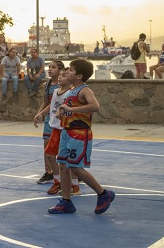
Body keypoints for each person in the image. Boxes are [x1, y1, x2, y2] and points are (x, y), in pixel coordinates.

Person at [48, 59, 115, 215]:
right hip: (67, 131)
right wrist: (62, 111)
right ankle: (66, 201)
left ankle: (103, 193)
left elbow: (95, 106)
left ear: (79, 75)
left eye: (70, 70)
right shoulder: (71, 90)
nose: (67, 72)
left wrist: (72, 109)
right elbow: (69, 107)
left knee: (75, 167)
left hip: (79, 133)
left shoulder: (85, 90)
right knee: (63, 165)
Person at [34, 66, 81, 196]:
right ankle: (58, 180)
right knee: (50, 154)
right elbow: (51, 105)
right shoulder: (56, 91)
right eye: (60, 75)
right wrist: (41, 114)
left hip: (65, 129)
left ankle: (75, 185)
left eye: (64, 75)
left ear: (70, 79)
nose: (60, 77)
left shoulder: (70, 94)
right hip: (56, 128)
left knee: (67, 160)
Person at [32, 60, 63, 185]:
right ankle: (49, 172)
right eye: (49, 67)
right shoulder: (47, 85)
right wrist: (38, 114)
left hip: (59, 119)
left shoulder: (62, 85)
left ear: (60, 70)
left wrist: (41, 113)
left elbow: (52, 104)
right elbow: (46, 102)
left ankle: (74, 171)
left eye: (53, 67)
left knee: (62, 147)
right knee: (46, 144)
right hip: (49, 119)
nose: (50, 69)